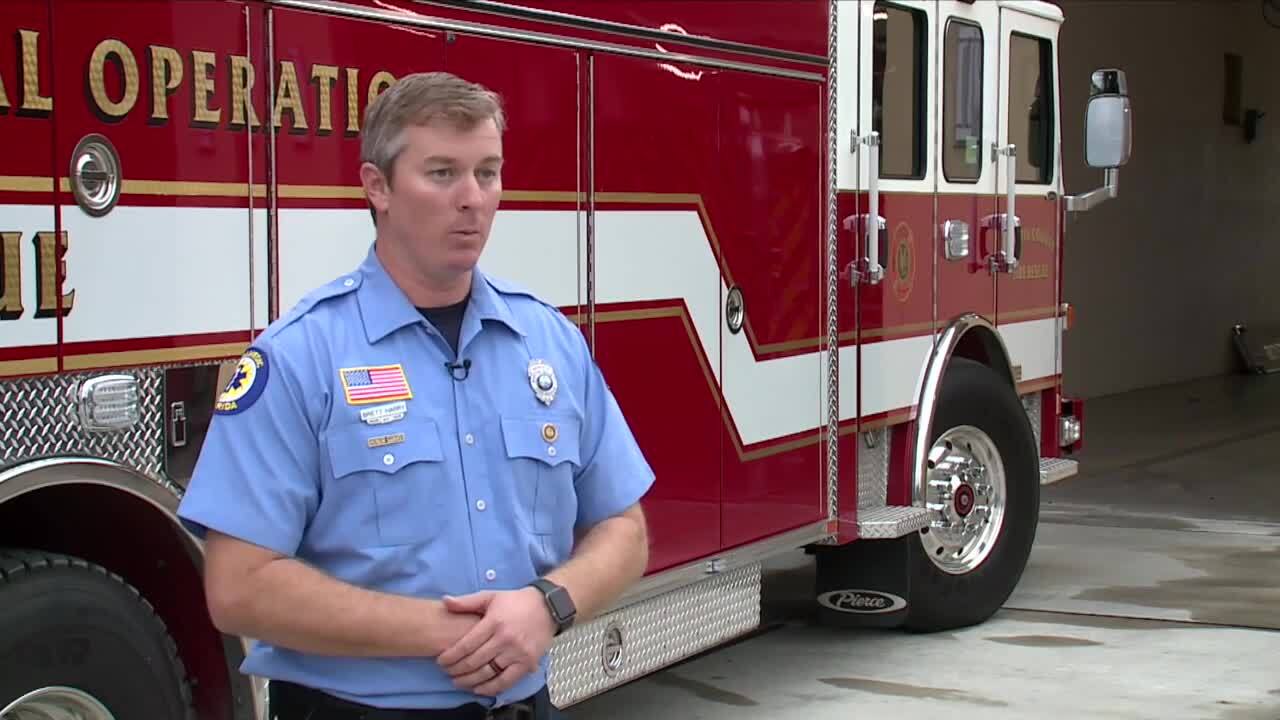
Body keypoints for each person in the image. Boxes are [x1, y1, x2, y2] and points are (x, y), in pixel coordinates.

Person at [177, 71, 655, 720]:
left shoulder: (548, 343)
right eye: (441, 173)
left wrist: (547, 605)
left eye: (488, 173)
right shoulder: (300, 358)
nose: (473, 199)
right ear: (378, 187)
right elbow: (238, 587)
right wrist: (453, 632)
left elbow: (624, 529)